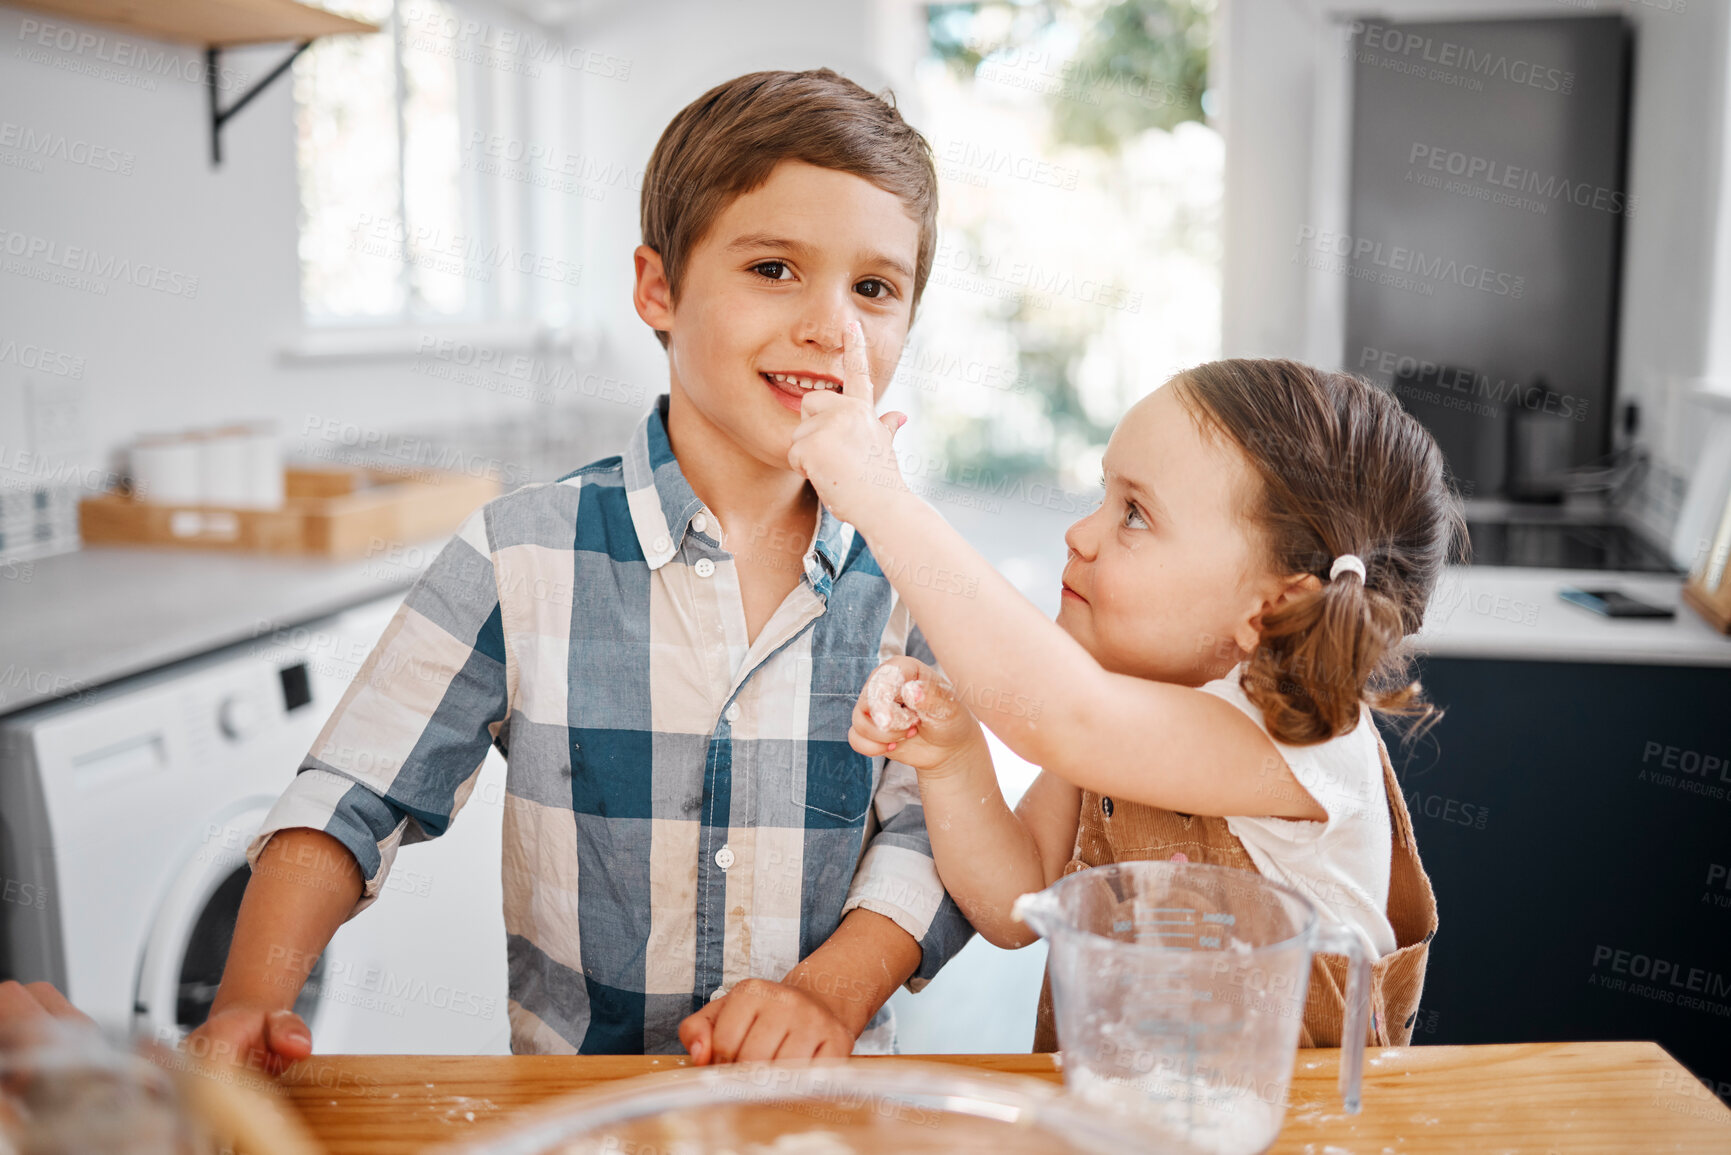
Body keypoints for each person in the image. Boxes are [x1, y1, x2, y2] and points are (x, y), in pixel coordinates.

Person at [188, 68, 971, 1071]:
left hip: (824, 1113)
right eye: (774, 267)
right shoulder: (520, 553)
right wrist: (255, 996)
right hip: (575, 1113)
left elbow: (935, 838)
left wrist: (827, 993)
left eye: (874, 287)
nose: (832, 326)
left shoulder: (911, 569)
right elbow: (351, 795)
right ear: (658, 288)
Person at [791, 348, 1459, 1046]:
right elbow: (1014, 902)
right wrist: (952, 756)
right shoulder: (1122, 718)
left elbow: (1061, 714)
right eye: (1100, 498)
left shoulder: (1300, 740)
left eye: (1134, 514)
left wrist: (879, 497)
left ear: (1270, 606)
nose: (1078, 534)